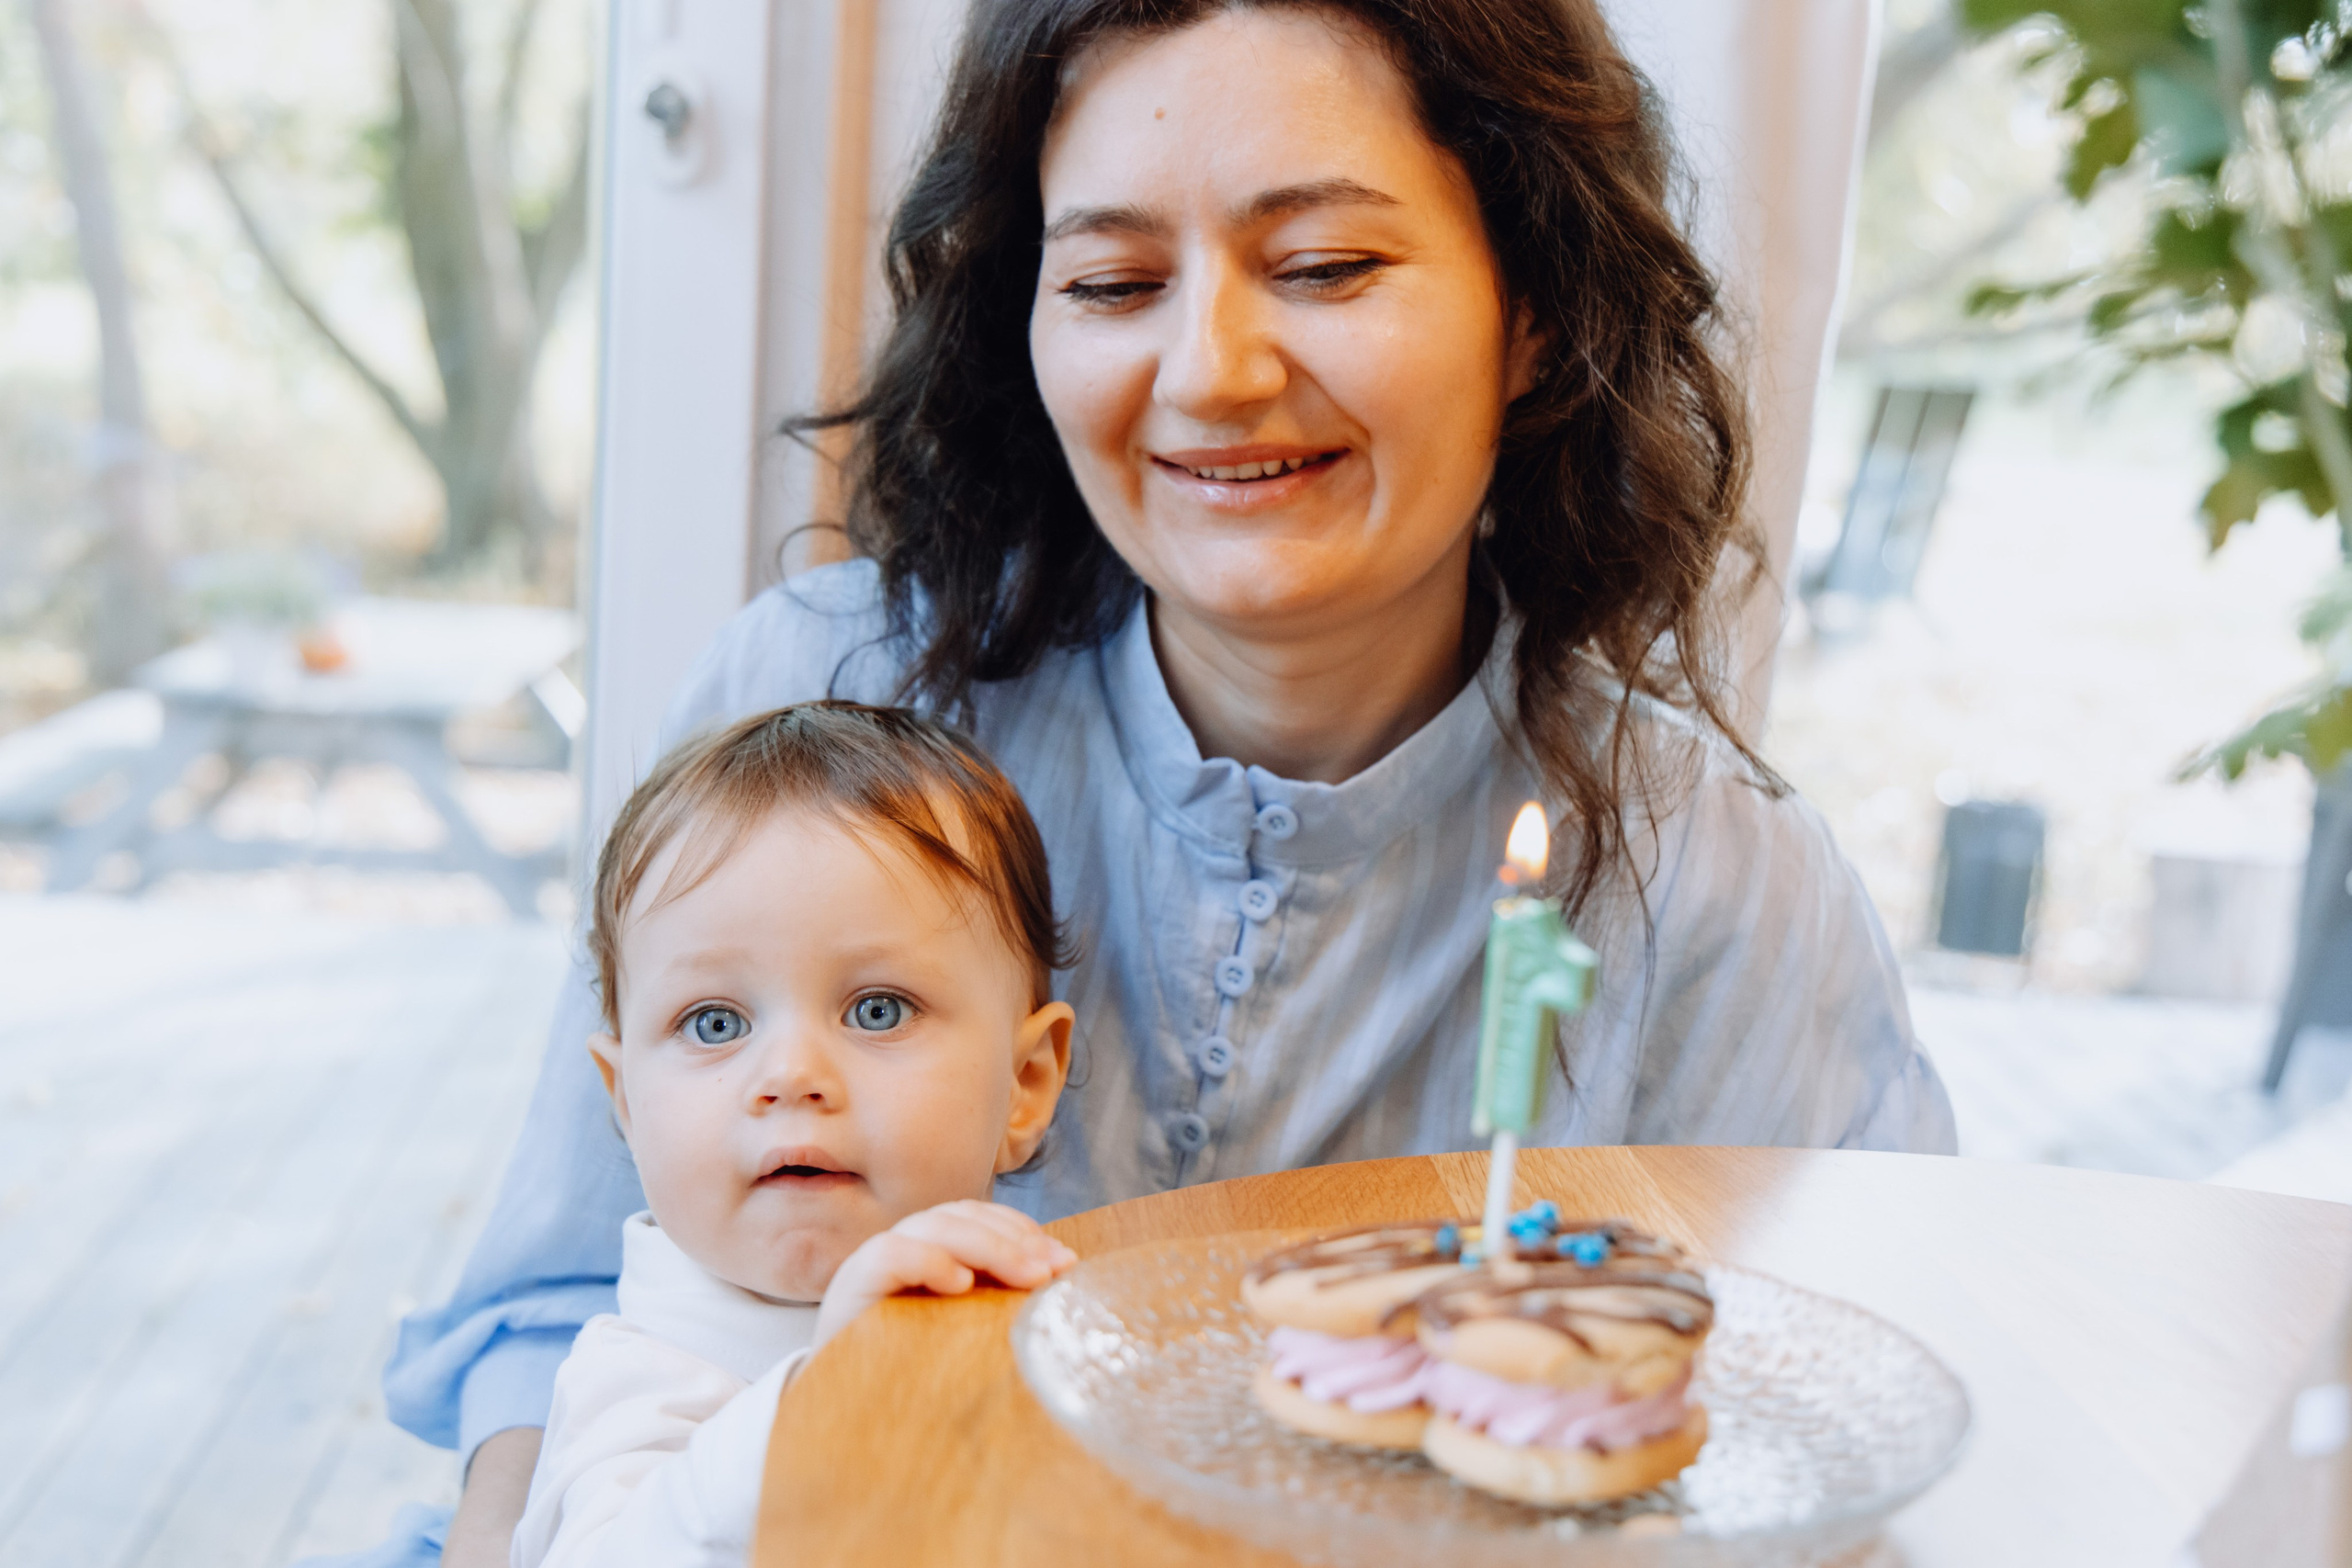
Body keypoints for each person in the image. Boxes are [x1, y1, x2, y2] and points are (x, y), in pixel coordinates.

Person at [334, 1, 1957, 1562]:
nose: (1212, 374)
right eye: (1112, 281)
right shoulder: (814, 703)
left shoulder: (1715, 885)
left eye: (1324, 265)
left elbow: (1832, 1450)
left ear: (1531, 313)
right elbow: (555, 1312)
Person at [513, 701, 1079, 1567]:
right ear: (625, 1101)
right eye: (713, 1023)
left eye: (877, 1010)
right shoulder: (637, 1382)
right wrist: (835, 1391)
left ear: (1025, 1083)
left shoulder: (1047, 1317)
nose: (789, 1074)